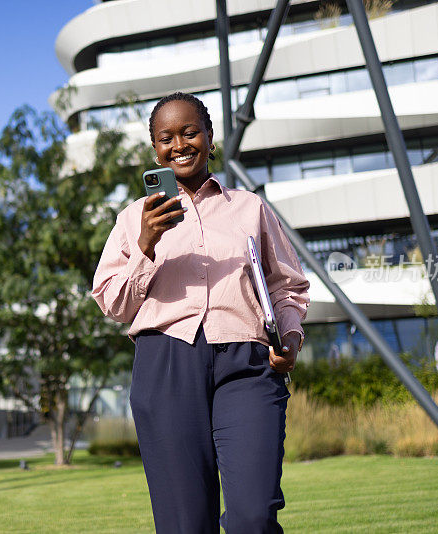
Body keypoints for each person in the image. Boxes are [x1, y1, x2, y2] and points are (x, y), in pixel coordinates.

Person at [92, 92, 310, 533]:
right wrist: (146, 245)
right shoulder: (133, 218)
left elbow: (287, 285)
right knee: (185, 524)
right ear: (154, 148)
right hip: (166, 363)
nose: (179, 145)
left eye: (190, 132)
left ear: (209, 139)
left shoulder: (251, 208)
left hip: (247, 365)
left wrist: (289, 335)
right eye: (165, 137)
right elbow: (114, 304)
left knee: (253, 515)